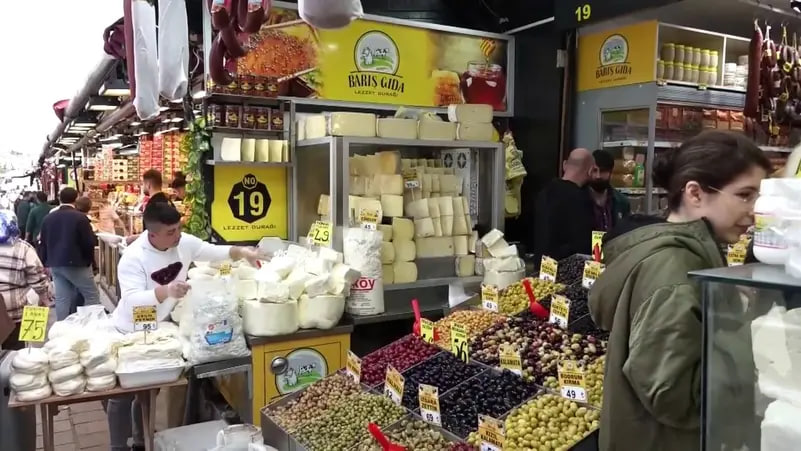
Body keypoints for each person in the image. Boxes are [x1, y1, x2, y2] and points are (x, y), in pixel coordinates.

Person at [588, 130, 771, 451]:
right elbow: (673, 394)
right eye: (745, 195)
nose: (754, 210)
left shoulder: (678, 255)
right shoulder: (675, 269)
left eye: (760, 197)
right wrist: (746, 327)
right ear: (695, 193)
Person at [108, 201, 263, 451]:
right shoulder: (133, 258)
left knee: (149, 391)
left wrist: (243, 252)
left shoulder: (183, 243)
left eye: (179, 228)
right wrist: (166, 290)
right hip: (129, 331)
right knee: (122, 394)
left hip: (158, 330)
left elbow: (213, 251)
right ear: (153, 234)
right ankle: (117, 446)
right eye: (171, 232)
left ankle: (140, 440)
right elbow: (131, 300)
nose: (178, 235)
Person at [39, 187, 100, 320]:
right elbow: (88, 243)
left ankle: (62, 326)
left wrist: (45, 263)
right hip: (77, 263)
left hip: (55, 263)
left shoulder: (48, 218)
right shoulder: (80, 218)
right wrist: (90, 262)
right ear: (76, 199)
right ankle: (92, 324)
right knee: (92, 295)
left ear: (59, 198)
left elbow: (43, 242)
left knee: (62, 298)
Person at [0, 210, 51, 350]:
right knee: (14, 351)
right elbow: (37, 276)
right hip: (14, 310)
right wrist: (44, 296)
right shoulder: (23, 248)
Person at [533, 148, 595, 260]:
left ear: (564, 165)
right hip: (567, 267)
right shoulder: (581, 199)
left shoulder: (543, 193)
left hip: (543, 265)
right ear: (590, 170)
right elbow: (584, 244)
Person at [588, 149, 631, 232]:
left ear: (610, 172)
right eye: (594, 170)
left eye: (602, 171)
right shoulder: (579, 198)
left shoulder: (622, 202)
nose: (598, 176)